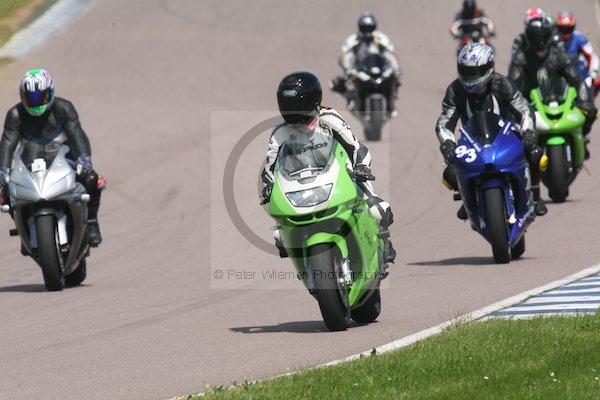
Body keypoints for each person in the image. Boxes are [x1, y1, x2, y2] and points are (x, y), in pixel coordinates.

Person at [261, 71, 396, 263]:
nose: (292, 110)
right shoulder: (280, 132)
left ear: (312, 100)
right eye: (287, 104)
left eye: (296, 104)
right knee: (279, 234)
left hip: (341, 173)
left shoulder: (329, 118)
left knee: (378, 210)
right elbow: (270, 165)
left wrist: (361, 167)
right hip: (302, 183)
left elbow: (354, 146)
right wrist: (268, 185)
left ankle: (384, 242)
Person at [435, 43, 548, 218]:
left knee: (535, 154)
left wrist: (528, 132)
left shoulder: (502, 83)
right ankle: (468, 200)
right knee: (449, 173)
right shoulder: (455, 90)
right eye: (467, 71)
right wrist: (448, 144)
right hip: (472, 140)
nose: (471, 77)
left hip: (506, 134)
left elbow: (524, 108)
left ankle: (535, 194)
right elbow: (444, 123)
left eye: (476, 71)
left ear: (489, 67)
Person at [0, 69, 104, 246]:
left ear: (50, 93)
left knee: (92, 179)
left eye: (40, 97)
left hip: (64, 154)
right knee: (6, 189)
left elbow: (76, 134)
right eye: (30, 98)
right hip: (30, 158)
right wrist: (3, 170)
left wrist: (84, 159)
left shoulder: (64, 108)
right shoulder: (15, 115)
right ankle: (22, 227)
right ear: (22, 97)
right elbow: (7, 143)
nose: (35, 103)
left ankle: (92, 222)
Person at [509, 17, 597, 159]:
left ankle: (582, 137)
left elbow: (577, 80)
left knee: (591, 111)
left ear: (549, 36)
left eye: (542, 38)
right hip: (531, 103)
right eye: (535, 38)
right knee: (514, 129)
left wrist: (585, 101)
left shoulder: (559, 55)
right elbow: (512, 86)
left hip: (558, 97)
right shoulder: (520, 58)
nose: (540, 42)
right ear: (528, 38)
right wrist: (513, 108)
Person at [332, 12, 402, 115]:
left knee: (396, 76)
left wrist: (395, 68)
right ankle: (350, 98)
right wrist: (347, 68)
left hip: (379, 68)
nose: (367, 31)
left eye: (369, 28)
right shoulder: (353, 40)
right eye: (365, 28)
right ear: (360, 27)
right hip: (359, 69)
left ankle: (391, 103)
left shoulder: (381, 39)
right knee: (337, 82)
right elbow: (345, 56)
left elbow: (390, 54)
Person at [556, 11, 600, 95]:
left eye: (568, 29)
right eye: (562, 29)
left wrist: (593, 75)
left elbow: (592, 57)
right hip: (558, 74)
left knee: (590, 87)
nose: (565, 32)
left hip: (578, 74)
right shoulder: (552, 39)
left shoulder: (580, 39)